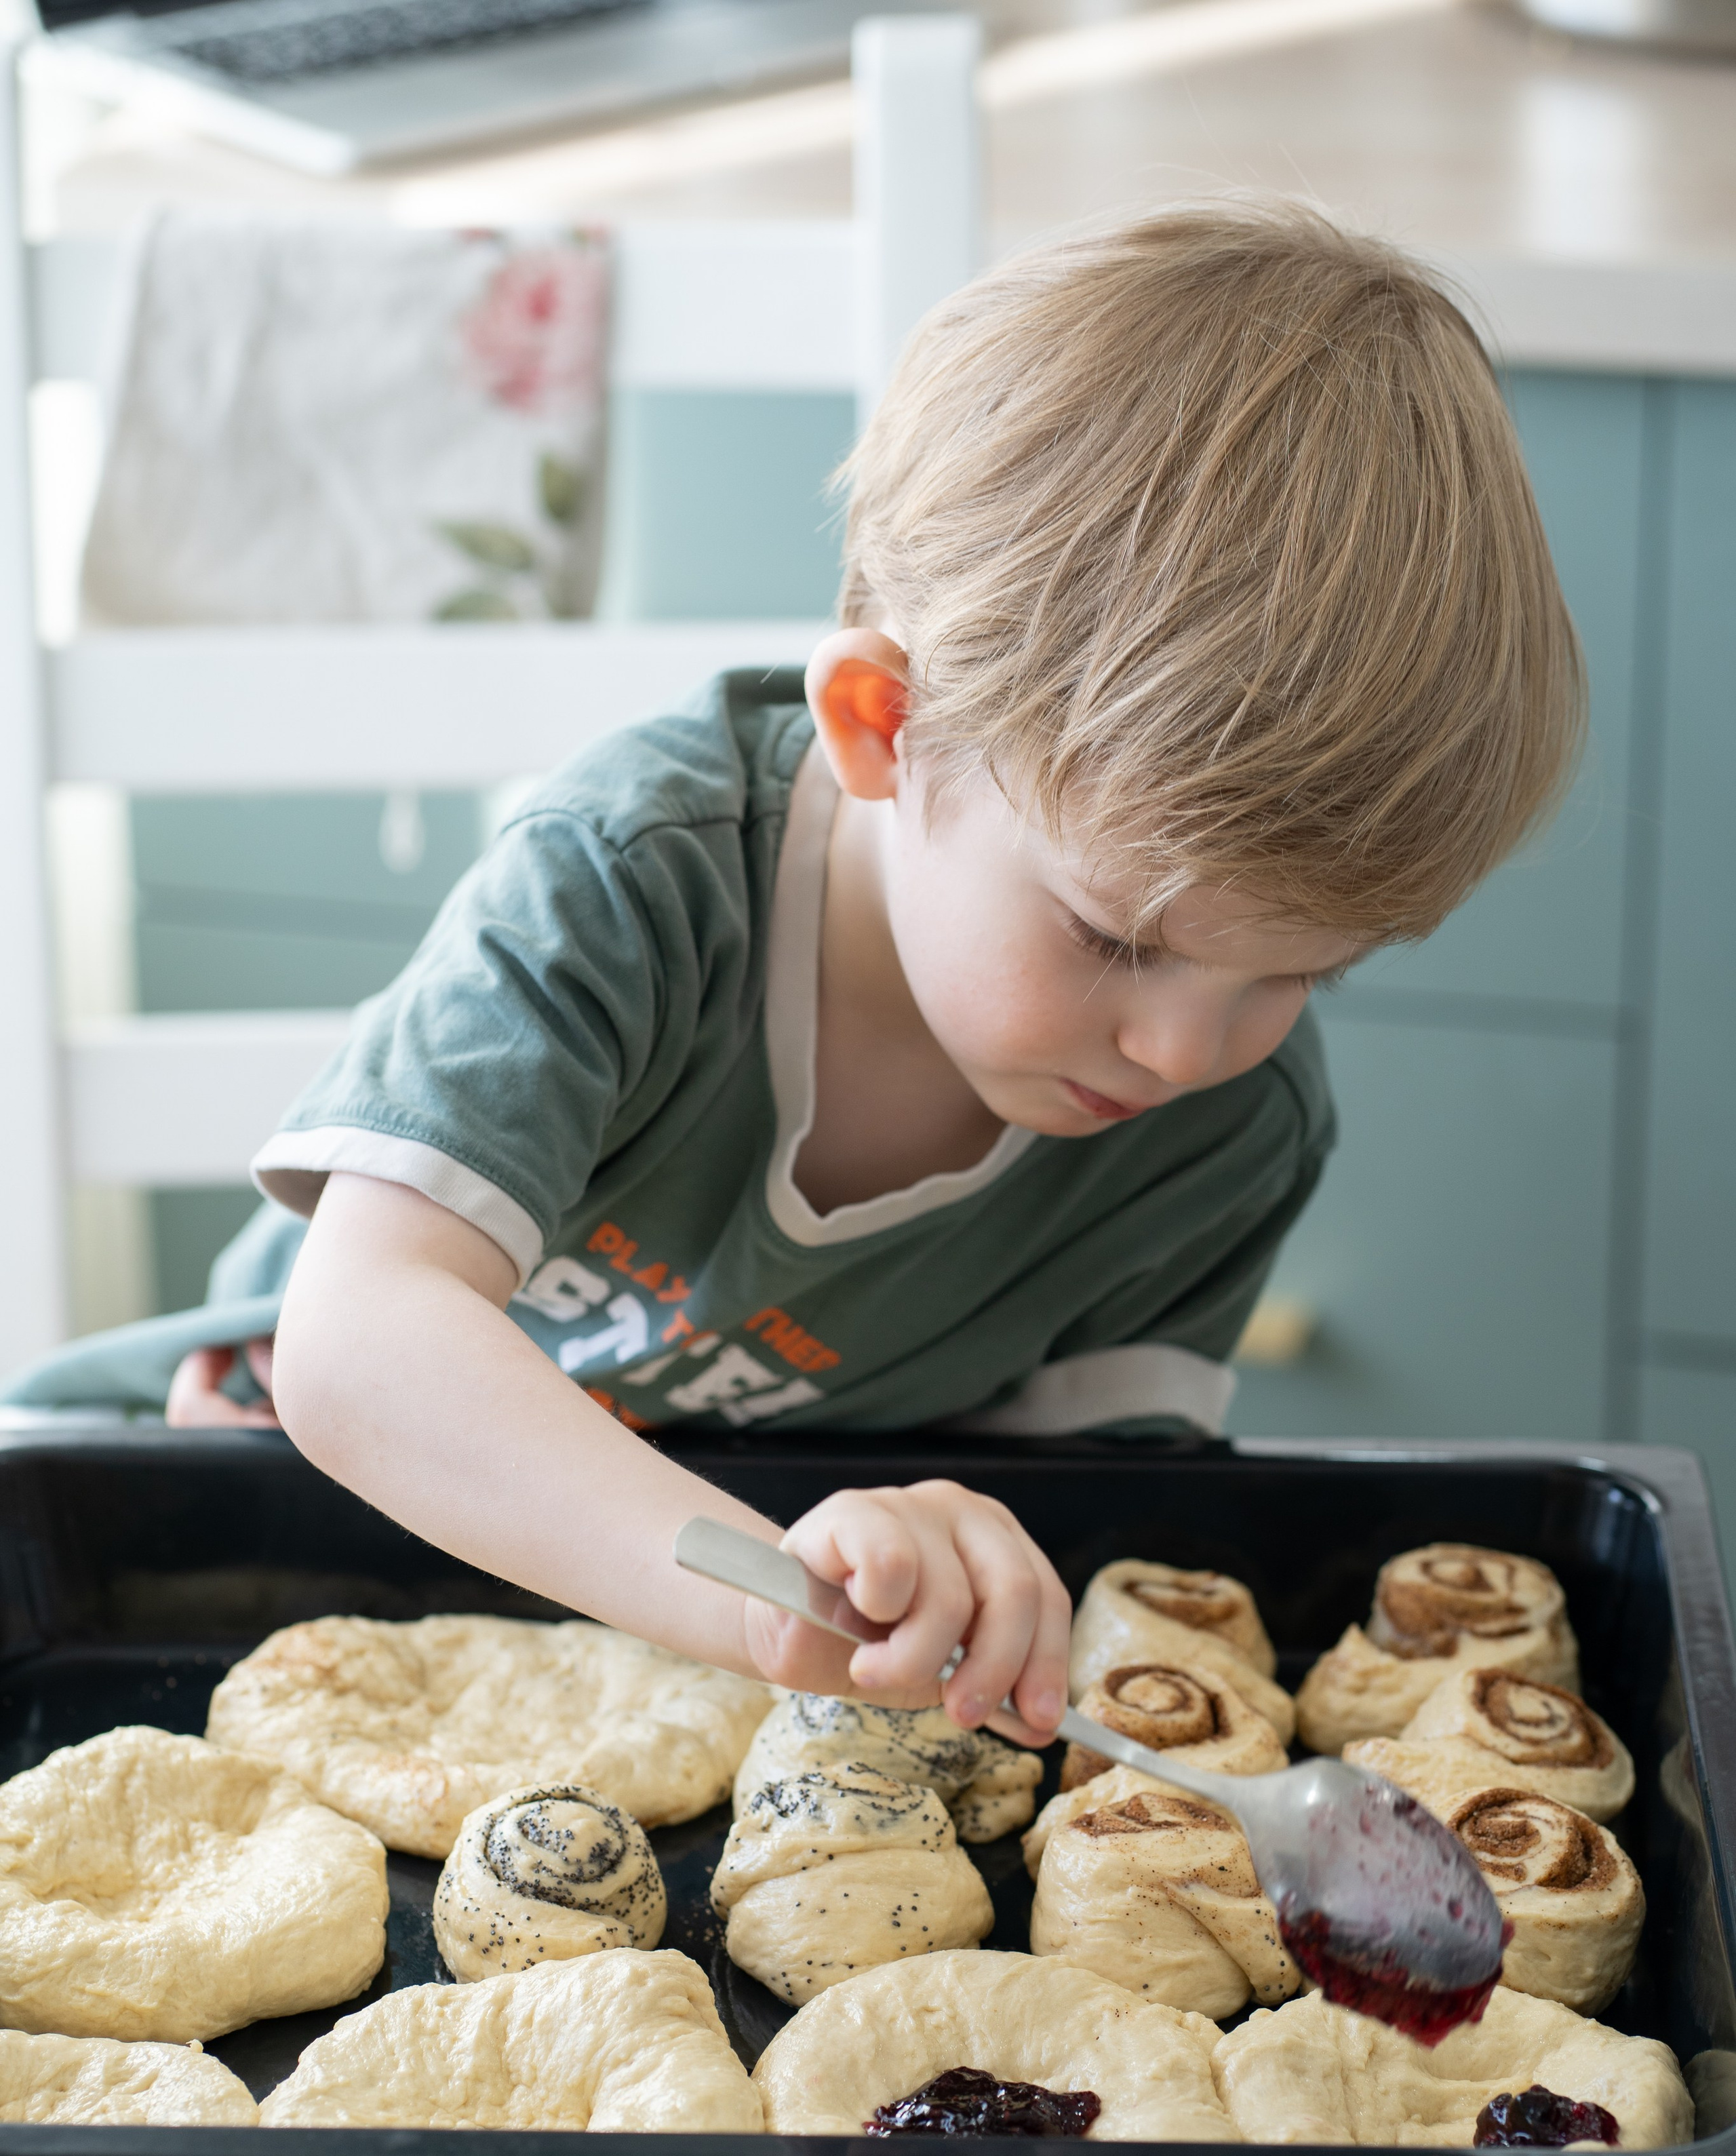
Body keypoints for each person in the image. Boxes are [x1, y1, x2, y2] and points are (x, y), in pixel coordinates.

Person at [7, 203, 1582, 1748]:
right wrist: (757, 1608)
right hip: (232, 1544)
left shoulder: (1229, 1137)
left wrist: (970, 1557)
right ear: (880, 727)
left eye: (1299, 976)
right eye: (1116, 937)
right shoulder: (633, 885)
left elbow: (1086, 1518)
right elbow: (363, 1345)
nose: (1185, 1046)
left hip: (726, 1695)